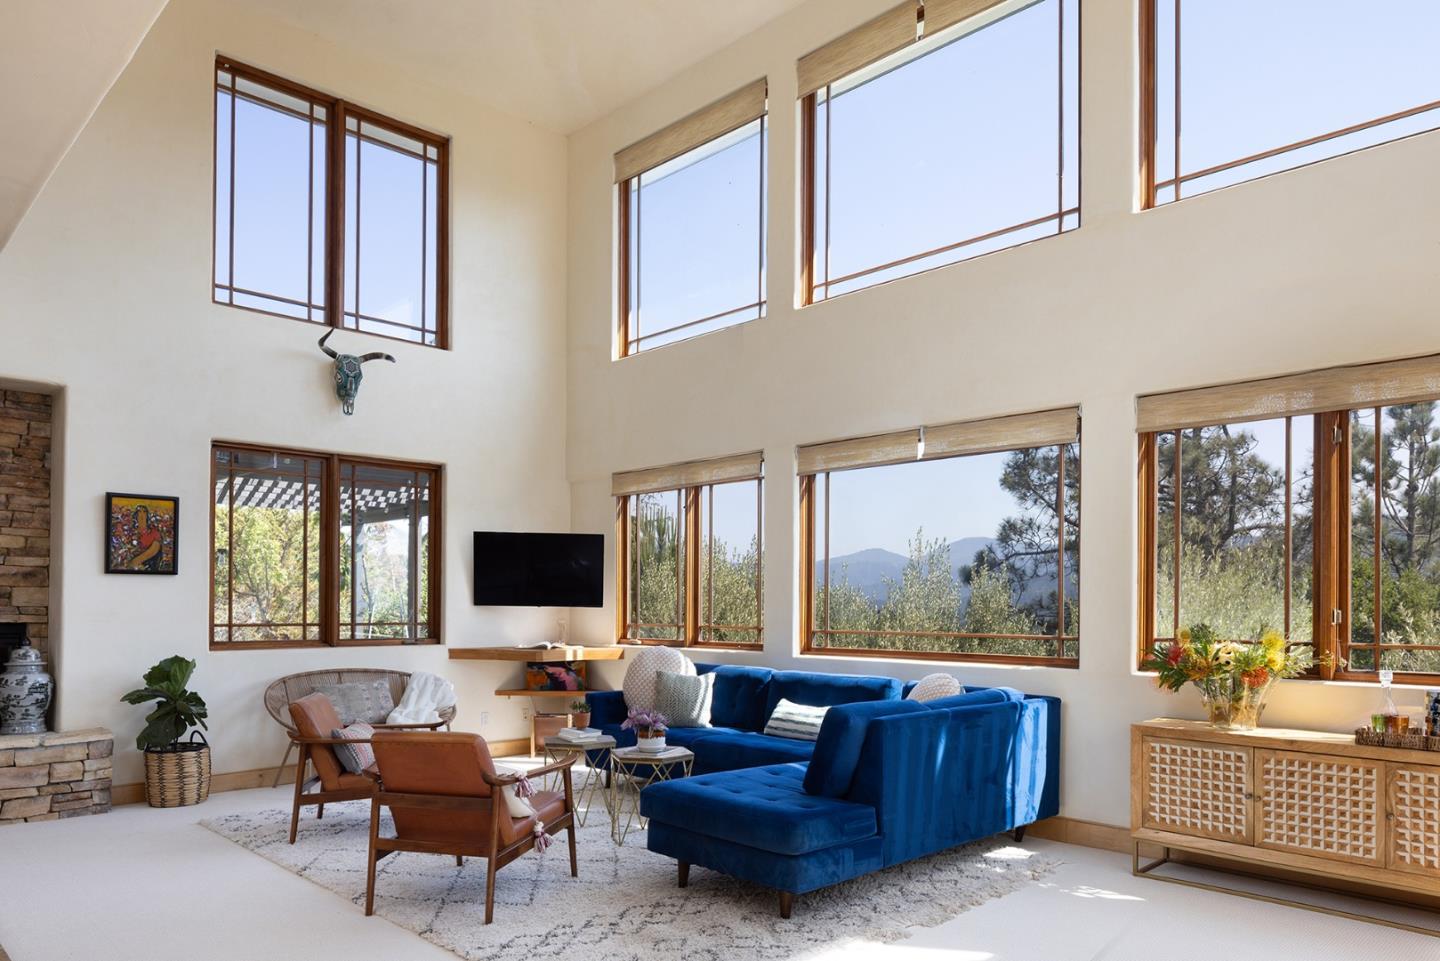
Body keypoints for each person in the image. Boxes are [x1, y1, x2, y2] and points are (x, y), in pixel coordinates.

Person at [128, 505, 164, 572]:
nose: (142, 514)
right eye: (139, 512)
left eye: (144, 512)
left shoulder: (154, 533)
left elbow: (153, 551)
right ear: (135, 515)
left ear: (147, 515)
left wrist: (133, 562)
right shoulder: (130, 532)